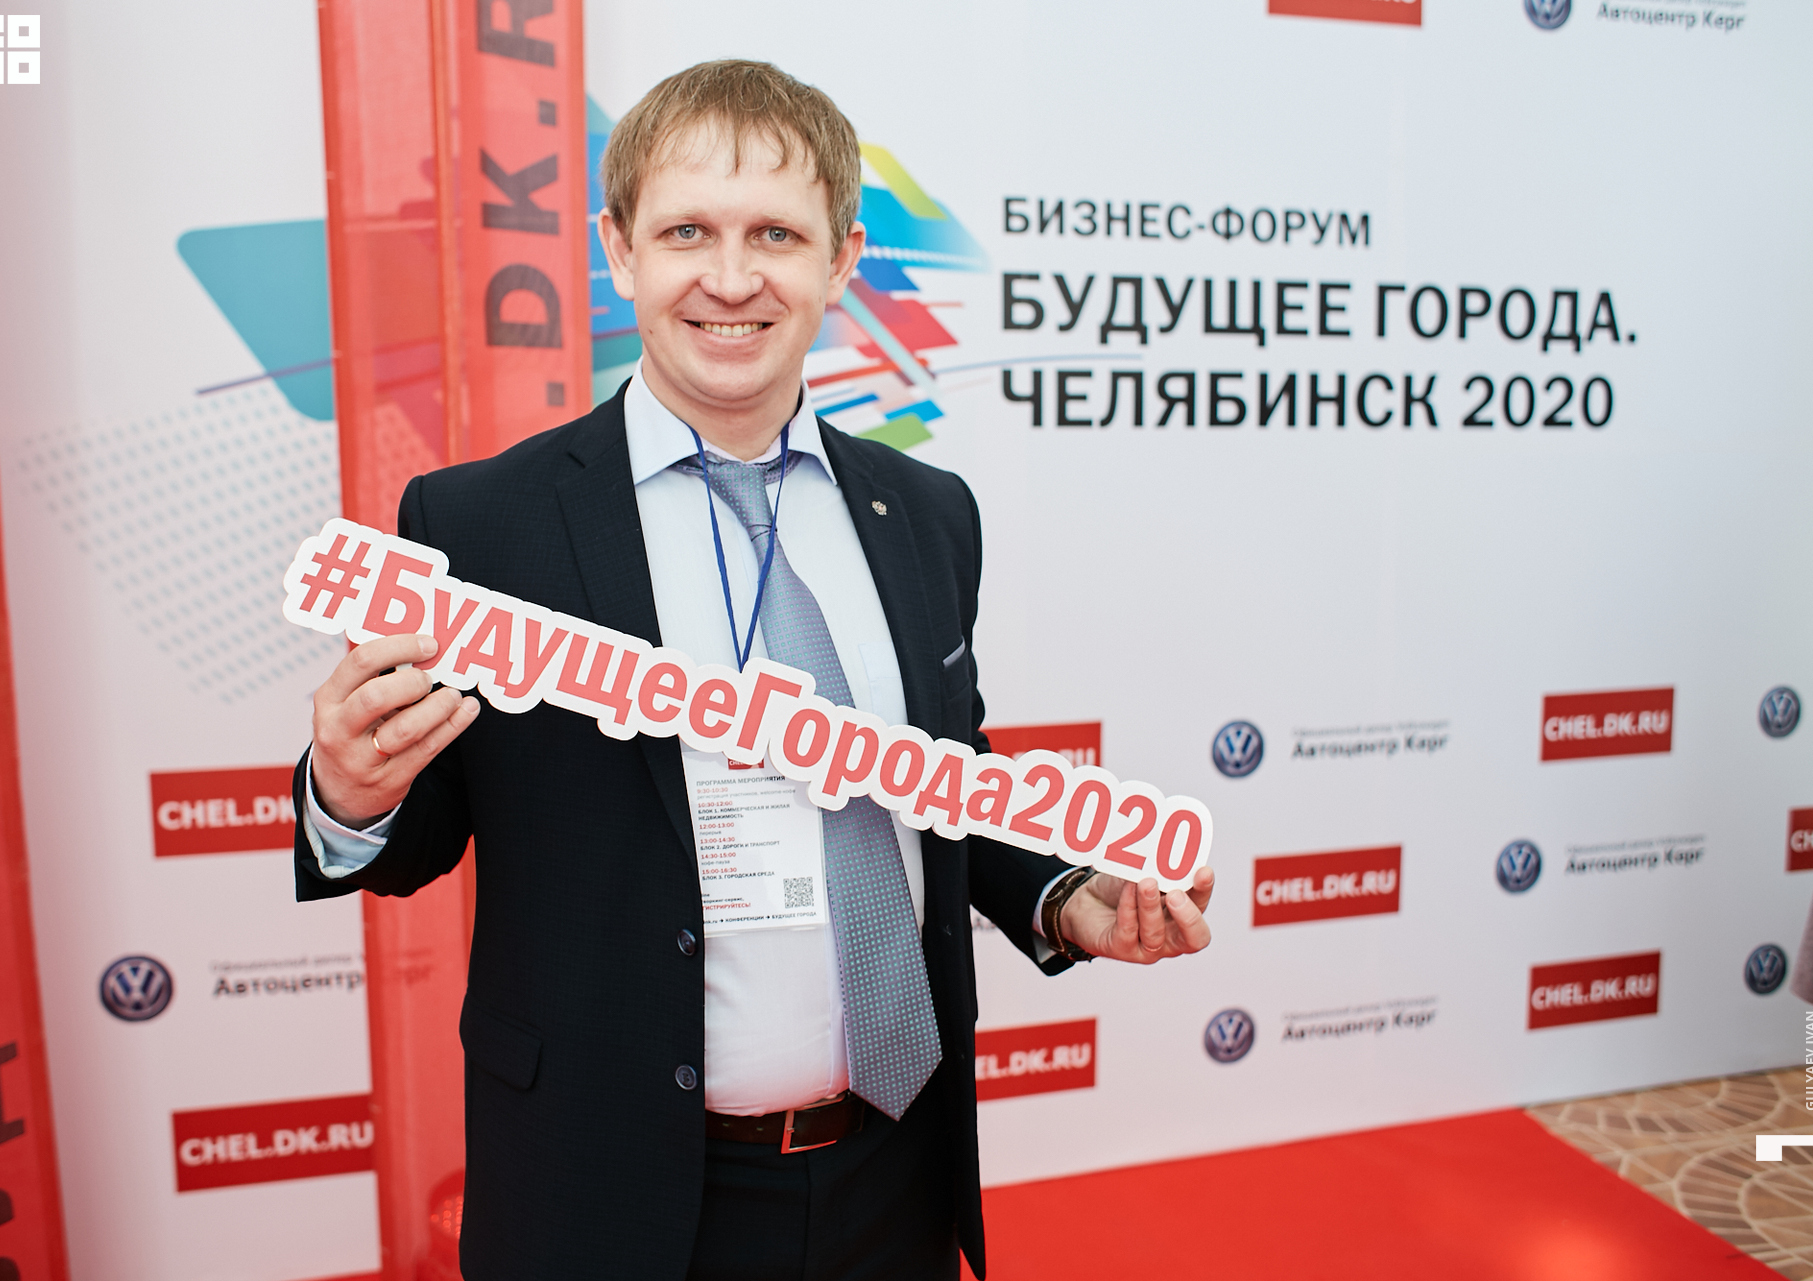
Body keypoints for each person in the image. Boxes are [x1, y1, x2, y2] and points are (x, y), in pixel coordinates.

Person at [293, 59, 1215, 1281]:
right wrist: (350, 795)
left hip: (892, 1177)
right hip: (603, 1191)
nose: (731, 279)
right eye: (688, 232)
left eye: (776, 234)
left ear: (842, 261)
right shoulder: (484, 524)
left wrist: (1061, 892)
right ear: (620, 252)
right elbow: (414, 838)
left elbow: (940, 776)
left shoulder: (927, 514)